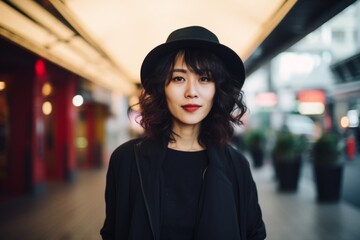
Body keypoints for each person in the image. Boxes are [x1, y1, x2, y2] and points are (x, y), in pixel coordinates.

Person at [100, 26, 266, 240]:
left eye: (204, 78)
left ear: (218, 90)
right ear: (162, 88)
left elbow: (254, 234)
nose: (191, 92)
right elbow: (113, 233)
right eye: (179, 78)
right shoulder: (127, 160)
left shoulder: (237, 165)